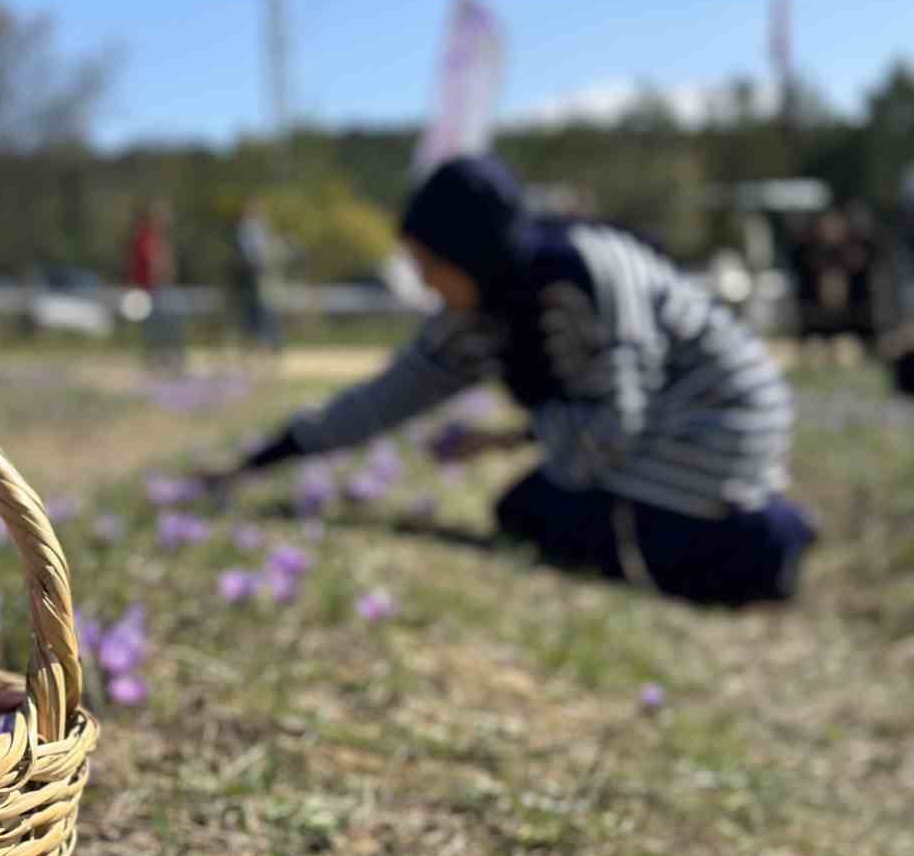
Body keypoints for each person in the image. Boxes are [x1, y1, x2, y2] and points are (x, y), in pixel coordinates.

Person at [205, 155, 817, 607]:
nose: (423, 285)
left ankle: (761, 545)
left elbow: (612, 430)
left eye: (431, 267)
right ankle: (742, 535)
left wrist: (508, 438)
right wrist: (262, 459)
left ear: (472, 253)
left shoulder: (574, 281)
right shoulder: (478, 314)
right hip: (669, 435)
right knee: (530, 508)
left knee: (537, 512)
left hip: (715, 422)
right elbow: (380, 400)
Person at [127, 199, 185, 368]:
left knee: (173, 321)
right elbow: (152, 267)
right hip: (149, 291)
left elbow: (167, 267)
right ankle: (156, 358)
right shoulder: (144, 239)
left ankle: (170, 357)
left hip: (163, 290)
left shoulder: (161, 239)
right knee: (155, 326)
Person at [233, 197, 286, 357]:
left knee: (269, 308)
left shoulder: (260, 228)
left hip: (265, 275)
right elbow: (254, 255)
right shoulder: (247, 228)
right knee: (258, 310)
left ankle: (270, 343)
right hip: (255, 276)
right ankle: (260, 343)